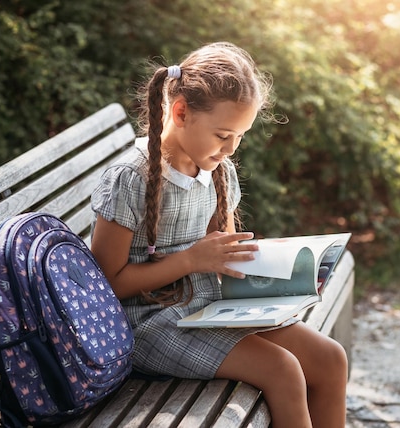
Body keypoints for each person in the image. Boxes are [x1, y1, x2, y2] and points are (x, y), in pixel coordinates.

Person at [90, 41, 348, 428]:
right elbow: (107, 285)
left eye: (239, 137)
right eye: (223, 134)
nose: (230, 149)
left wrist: (287, 278)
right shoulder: (132, 178)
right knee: (283, 371)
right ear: (180, 112)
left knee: (330, 359)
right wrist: (191, 260)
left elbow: (225, 258)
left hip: (209, 308)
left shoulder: (216, 171)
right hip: (147, 325)